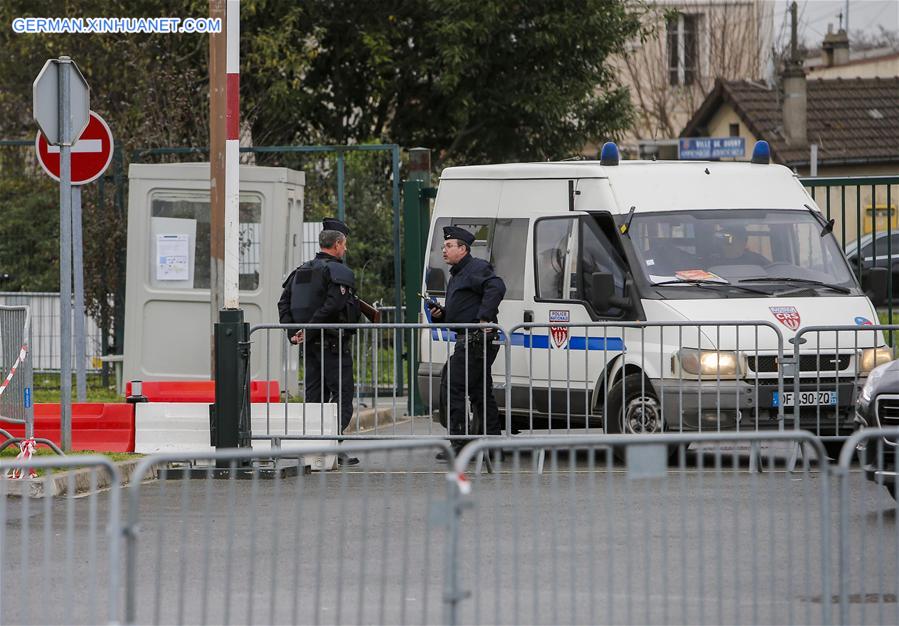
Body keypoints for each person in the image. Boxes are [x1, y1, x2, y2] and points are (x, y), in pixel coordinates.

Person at [278, 218, 361, 465]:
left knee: (315, 400)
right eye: (344, 245)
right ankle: (329, 445)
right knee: (343, 396)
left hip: (310, 348)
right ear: (337, 244)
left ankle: (319, 448)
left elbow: (283, 303)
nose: (345, 249)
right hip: (333, 347)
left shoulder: (300, 271)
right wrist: (310, 329)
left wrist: (295, 331)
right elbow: (333, 305)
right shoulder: (339, 272)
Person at [427, 226, 506, 460]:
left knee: (453, 384)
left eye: (449, 246)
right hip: (468, 340)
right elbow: (459, 312)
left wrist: (484, 317)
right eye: (444, 246)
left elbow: (497, 286)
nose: (444, 250)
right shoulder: (457, 275)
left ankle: (460, 443)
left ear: (463, 249)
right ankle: (493, 446)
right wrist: (442, 315)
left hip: (476, 341)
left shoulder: (476, 268)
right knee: (481, 392)